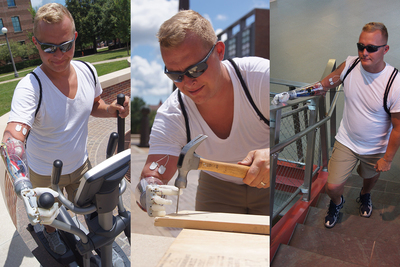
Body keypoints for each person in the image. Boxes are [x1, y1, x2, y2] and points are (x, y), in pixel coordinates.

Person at [1, 3, 129, 255]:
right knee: (49, 217)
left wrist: (110, 110)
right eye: (48, 47)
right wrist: (21, 181)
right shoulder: (30, 88)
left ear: (75, 38)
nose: (58, 55)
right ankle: (52, 236)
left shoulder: (88, 71)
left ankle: (102, 244)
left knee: (94, 210)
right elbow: (12, 138)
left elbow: (94, 105)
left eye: (66, 45)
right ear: (36, 44)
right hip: (43, 173)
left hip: (81, 166)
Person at [138, 10, 269, 217]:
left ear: (219, 51)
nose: (188, 82)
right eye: (175, 75)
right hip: (217, 186)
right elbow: (154, 171)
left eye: (196, 69)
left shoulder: (260, 79)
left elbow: (301, 128)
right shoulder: (173, 113)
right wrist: (150, 186)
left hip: (273, 180)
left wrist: (274, 153)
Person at [275, 22, 400, 228]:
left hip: (375, 147)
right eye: (360, 46)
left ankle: (365, 194)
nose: (364, 52)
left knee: (369, 178)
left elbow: (398, 127)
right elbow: (323, 86)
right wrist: (293, 95)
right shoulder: (350, 65)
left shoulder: (394, 83)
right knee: (332, 187)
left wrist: (387, 158)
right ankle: (337, 202)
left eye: (371, 48)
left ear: (385, 49)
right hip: (347, 141)